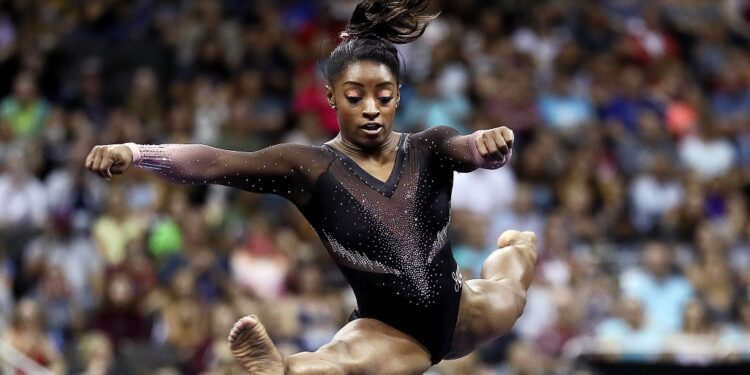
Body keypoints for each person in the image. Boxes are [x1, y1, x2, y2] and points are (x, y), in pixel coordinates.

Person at [84, 1, 537, 373]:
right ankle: (280, 369)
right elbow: (215, 162)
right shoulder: (311, 167)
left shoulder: (430, 147)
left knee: (514, 289)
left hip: (460, 308)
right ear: (331, 97)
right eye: (355, 96)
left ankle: (517, 242)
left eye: (383, 95)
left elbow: (467, 148)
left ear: (399, 95)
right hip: (391, 333)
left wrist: (487, 145)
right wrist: (137, 151)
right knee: (337, 364)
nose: (371, 109)